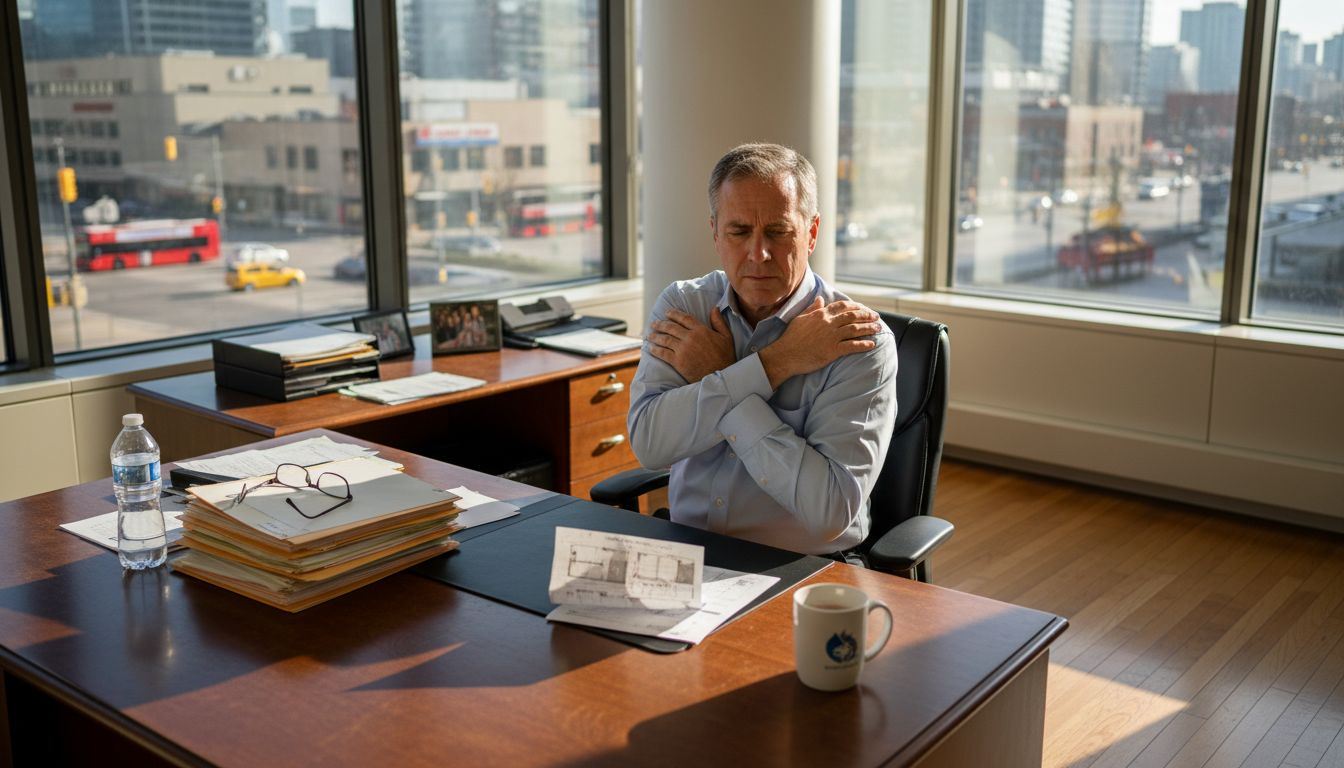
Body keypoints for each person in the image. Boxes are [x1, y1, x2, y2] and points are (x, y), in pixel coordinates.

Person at [628, 142, 897, 557]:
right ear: (715, 233)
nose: (759, 254)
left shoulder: (858, 339)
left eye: (778, 231)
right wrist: (776, 363)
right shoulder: (684, 308)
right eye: (739, 232)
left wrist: (720, 377)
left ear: (811, 232)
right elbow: (650, 445)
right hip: (687, 550)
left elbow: (829, 511)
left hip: (802, 566)